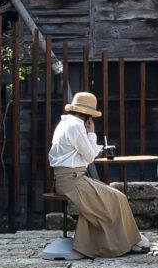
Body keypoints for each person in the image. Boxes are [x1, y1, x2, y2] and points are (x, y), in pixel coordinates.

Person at [47, 91, 145, 257]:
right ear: (88, 116)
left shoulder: (64, 123)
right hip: (73, 181)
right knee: (115, 199)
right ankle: (122, 243)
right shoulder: (76, 127)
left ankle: (128, 240)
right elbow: (90, 157)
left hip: (70, 178)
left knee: (114, 197)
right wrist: (92, 133)